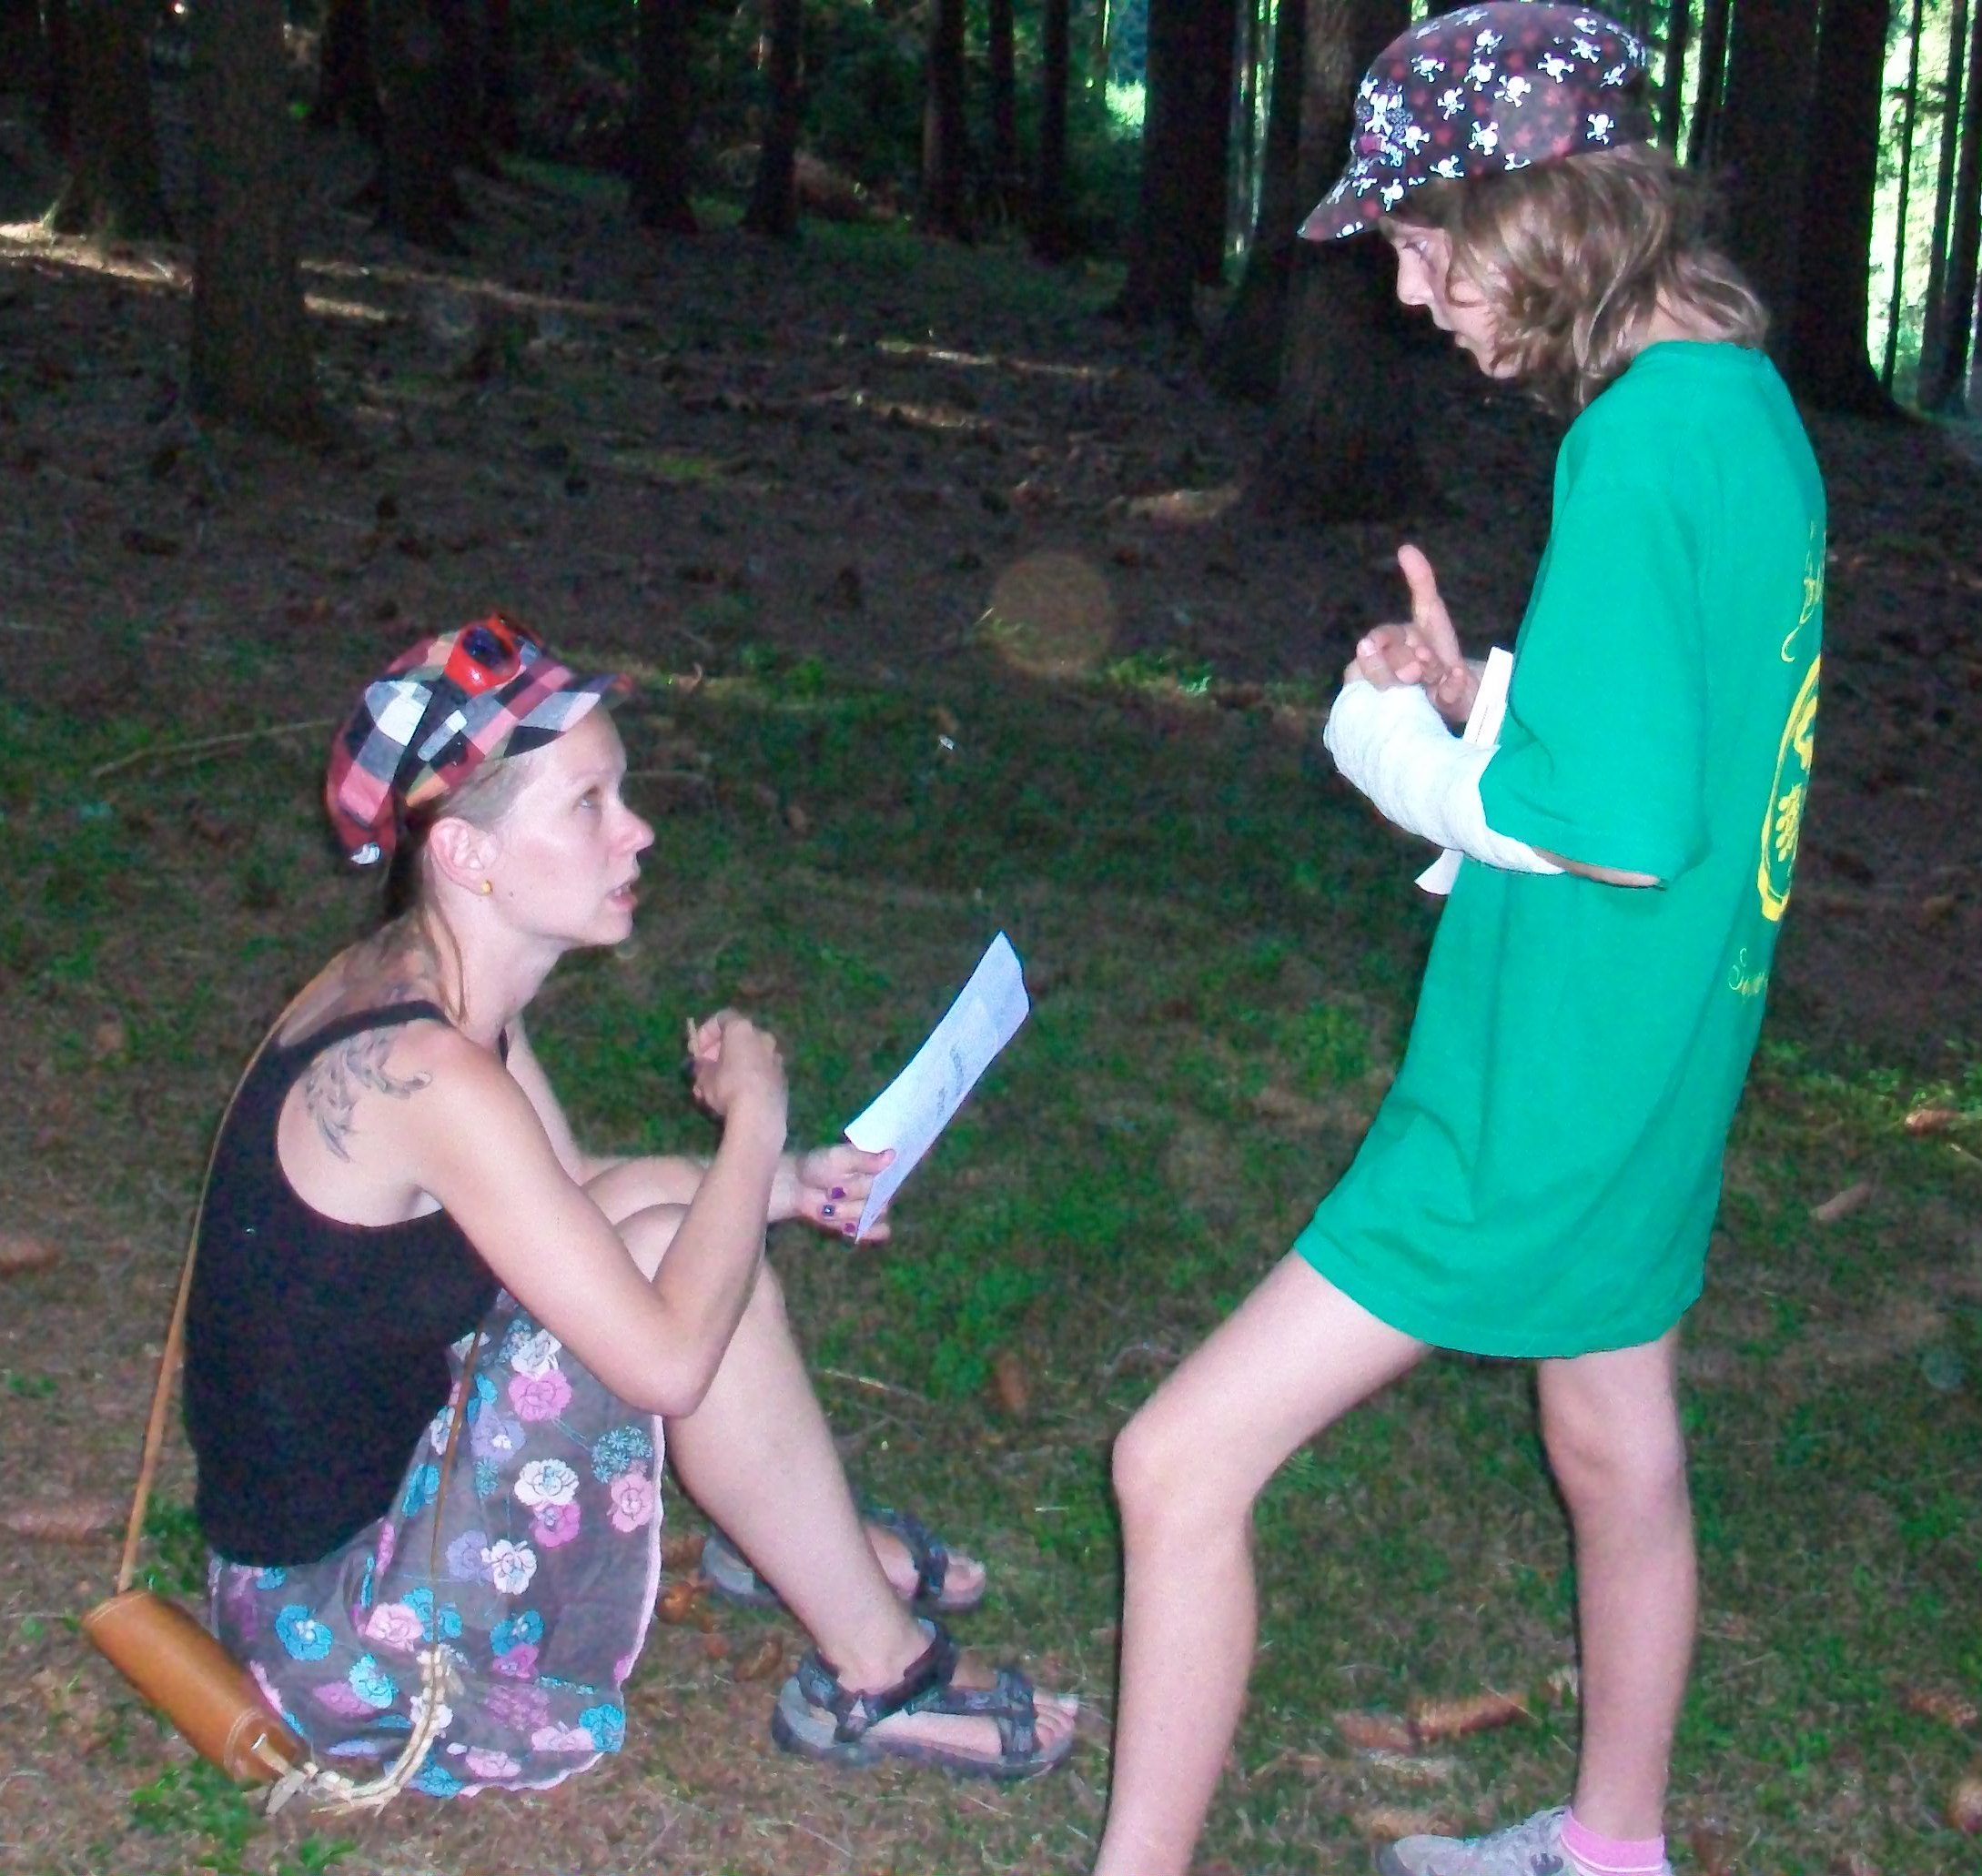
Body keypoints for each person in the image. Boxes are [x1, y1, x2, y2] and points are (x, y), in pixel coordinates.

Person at [1087, 8, 1823, 1875]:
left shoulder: (1635, 446)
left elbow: (1615, 835)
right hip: (1673, 1048)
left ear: (1536, 214)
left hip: (1539, 1084)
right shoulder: (1741, 405)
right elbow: (1681, 747)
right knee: (1612, 1435)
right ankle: (1615, 1844)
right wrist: (1486, 695)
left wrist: (1399, 754)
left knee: (1172, 1461)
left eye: (1423, 244)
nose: (1411, 295)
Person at [183, 616, 1076, 1799]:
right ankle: (878, 1672)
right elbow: (663, 1363)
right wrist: (752, 1125)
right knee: (683, 1269)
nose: (636, 828)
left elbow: (572, 1192)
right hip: (335, 1626)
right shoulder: (429, 1070)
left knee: (672, 1225)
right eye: (588, 804)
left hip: (357, 1511)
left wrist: (784, 1181)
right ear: (468, 854)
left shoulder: (428, 985)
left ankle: (799, 1535)